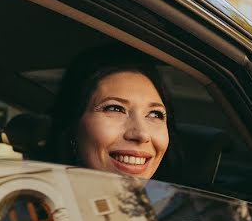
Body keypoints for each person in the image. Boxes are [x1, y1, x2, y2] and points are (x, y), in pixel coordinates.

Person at [47, 45, 175, 181]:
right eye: (115, 109)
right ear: (72, 124)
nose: (141, 134)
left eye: (155, 114)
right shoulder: (32, 199)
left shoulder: (176, 200)